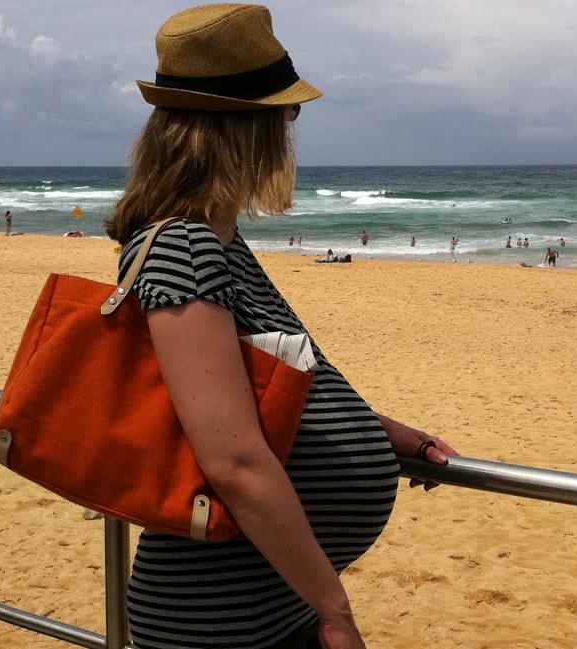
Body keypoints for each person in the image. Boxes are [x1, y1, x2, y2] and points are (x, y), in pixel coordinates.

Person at [104, 6, 457, 648]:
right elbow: (233, 458)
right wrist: (336, 611)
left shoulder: (217, 239)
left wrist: (388, 436)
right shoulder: (186, 248)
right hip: (221, 622)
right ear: (250, 125)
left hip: (262, 607)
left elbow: (257, 391)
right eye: (287, 111)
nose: (291, 128)